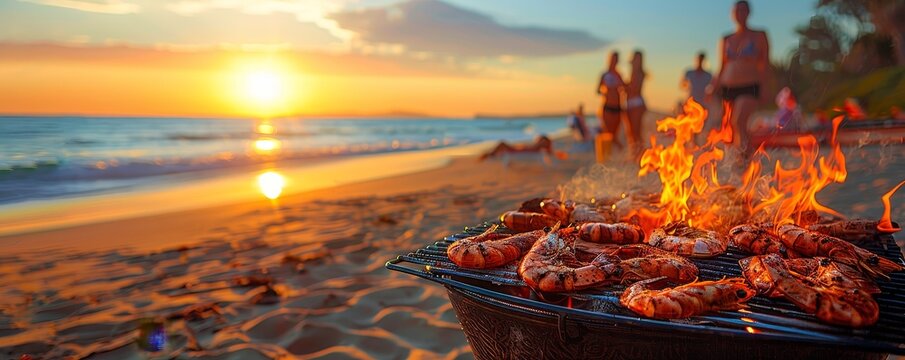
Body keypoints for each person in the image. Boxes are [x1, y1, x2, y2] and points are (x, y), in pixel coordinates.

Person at [710, 0, 770, 158]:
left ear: (749, 12)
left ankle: (743, 158)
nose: (740, 14)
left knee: (739, 121)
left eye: (743, 10)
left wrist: (765, 87)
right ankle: (745, 157)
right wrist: (712, 87)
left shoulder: (759, 35)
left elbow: (765, 64)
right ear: (732, 14)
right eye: (736, 11)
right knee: (734, 126)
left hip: (749, 85)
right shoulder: (726, 38)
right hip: (728, 88)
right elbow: (721, 66)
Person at [597, 51, 626, 149]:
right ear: (609, 59)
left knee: (615, 134)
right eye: (613, 59)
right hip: (608, 106)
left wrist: (618, 89)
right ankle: (606, 155)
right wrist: (606, 93)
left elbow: (624, 89)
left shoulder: (618, 75)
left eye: (616, 59)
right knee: (608, 133)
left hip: (618, 106)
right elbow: (597, 90)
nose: (614, 61)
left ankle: (616, 152)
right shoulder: (604, 74)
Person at [479, 135, 564, 162]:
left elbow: (550, 151)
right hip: (520, 150)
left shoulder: (538, 146)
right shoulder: (537, 146)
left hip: (519, 152)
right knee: (502, 144)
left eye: (541, 139)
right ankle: (491, 154)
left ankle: (491, 155)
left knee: (502, 143)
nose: (538, 139)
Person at [625, 50, 646, 157]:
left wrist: (623, 86)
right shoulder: (633, 72)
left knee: (636, 131)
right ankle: (635, 153)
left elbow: (635, 89)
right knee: (631, 132)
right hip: (630, 103)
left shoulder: (640, 73)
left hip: (636, 103)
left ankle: (640, 154)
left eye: (638, 59)